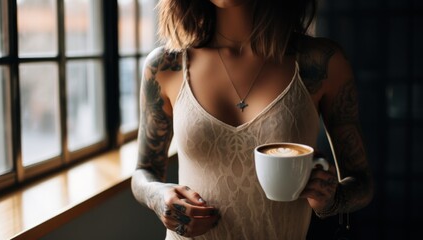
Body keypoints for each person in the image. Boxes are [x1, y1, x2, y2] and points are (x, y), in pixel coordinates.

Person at [131, 0, 373, 239]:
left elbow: (362, 183)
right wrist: (159, 197)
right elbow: (145, 171)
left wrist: (331, 199)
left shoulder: (322, 62)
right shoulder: (165, 66)